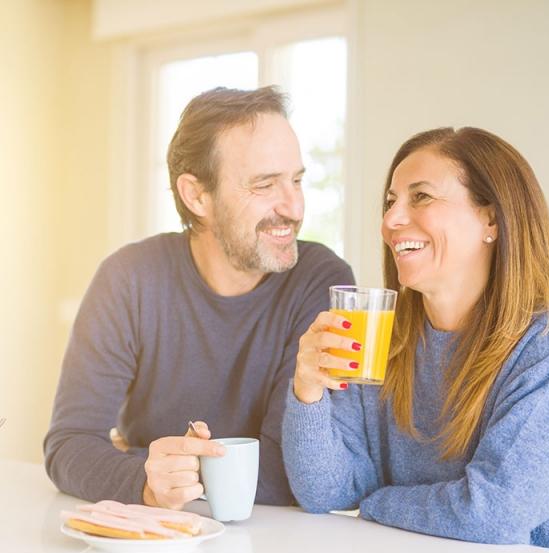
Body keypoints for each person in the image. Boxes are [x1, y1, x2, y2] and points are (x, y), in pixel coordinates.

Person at [283, 126, 549, 553]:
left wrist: (377, 503)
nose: (390, 221)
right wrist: (308, 393)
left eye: (421, 197)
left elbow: (497, 511)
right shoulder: (382, 335)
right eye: (391, 202)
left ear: (491, 218)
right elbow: (326, 492)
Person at [44, 86, 354, 510]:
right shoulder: (129, 278)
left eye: (297, 180)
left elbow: (293, 472)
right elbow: (69, 445)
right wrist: (145, 479)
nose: (295, 207)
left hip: (276, 547)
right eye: (265, 185)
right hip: (156, 541)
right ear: (197, 195)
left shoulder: (321, 281)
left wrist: (139, 462)